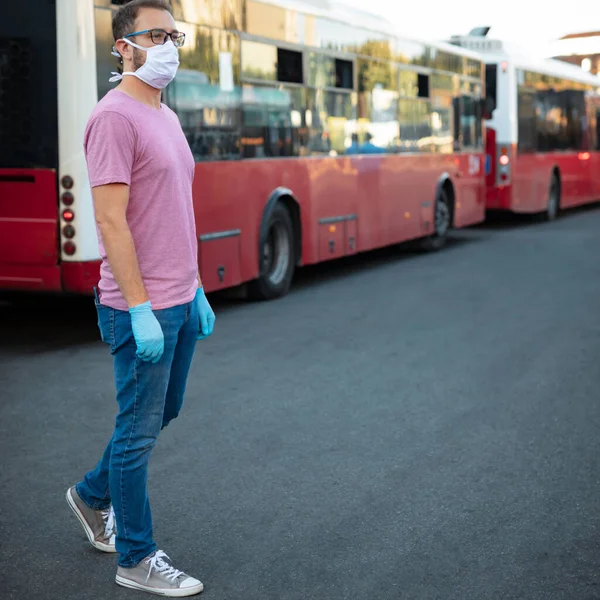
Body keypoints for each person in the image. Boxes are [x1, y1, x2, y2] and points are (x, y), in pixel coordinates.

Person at [65, 0, 213, 596]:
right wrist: (142, 308)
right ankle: (136, 557)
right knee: (138, 428)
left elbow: (175, 212)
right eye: (156, 34)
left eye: (173, 34)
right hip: (138, 308)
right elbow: (112, 222)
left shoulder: (166, 117)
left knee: (160, 414)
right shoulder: (114, 119)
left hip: (180, 298)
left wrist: (196, 286)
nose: (169, 44)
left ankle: (92, 494)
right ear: (123, 47)